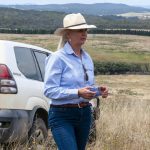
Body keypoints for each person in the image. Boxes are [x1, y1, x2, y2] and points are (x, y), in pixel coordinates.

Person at [44, 13, 108, 150]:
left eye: (85, 30)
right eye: (79, 30)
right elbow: (49, 90)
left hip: (85, 114)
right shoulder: (57, 58)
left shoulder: (87, 58)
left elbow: (86, 88)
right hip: (62, 115)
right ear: (68, 34)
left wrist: (98, 91)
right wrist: (78, 93)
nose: (84, 33)